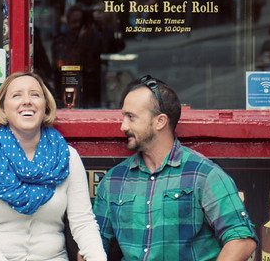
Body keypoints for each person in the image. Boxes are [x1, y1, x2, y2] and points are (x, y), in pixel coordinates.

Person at [93, 76, 258, 261]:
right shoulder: (114, 180)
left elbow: (242, 240)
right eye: (124, 117)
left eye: (131, 117)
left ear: (160, 121)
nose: (123, 126)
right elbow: (93, 245)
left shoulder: (203, 175)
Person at [0, 71, 106, 261]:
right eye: (16, 95)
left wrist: (98, 257)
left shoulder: (67, 157)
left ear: (45, 107)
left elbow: (83, 222)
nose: (27, 101)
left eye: (35, 95)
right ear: (3, 108)